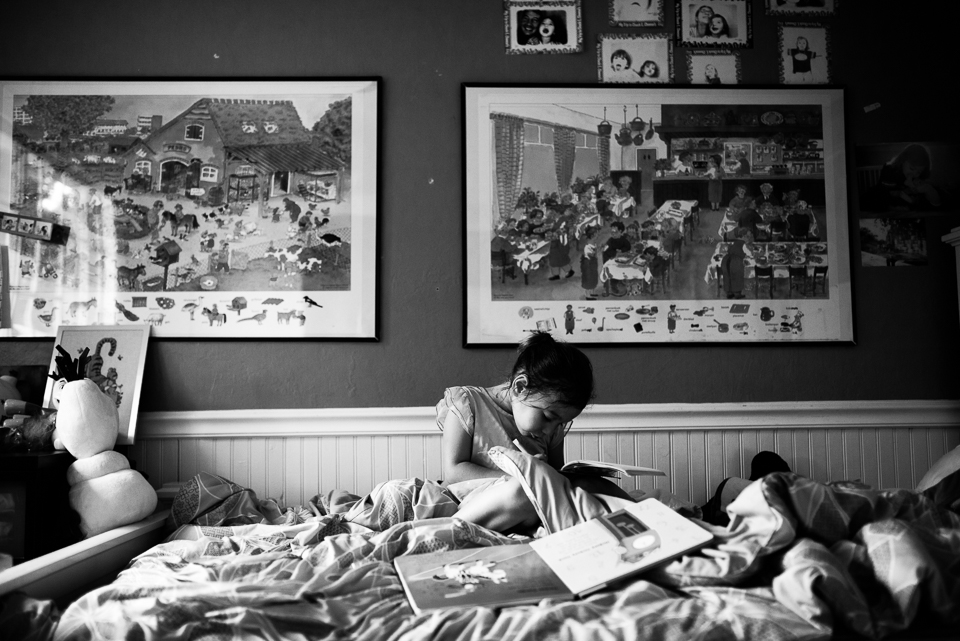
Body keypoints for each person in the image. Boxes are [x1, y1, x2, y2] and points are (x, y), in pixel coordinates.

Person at [438, 332, 608, 533]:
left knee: (592, 486)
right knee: (522, 493)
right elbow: (454, 471)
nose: (551, 430)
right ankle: (445, 531)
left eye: (561, 423)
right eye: (548, 416)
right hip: (474, 504)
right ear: (520, 387)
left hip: (527, 511)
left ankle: (642, 512)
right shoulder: (468, 403)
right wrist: (520, 477)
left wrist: (547, 474)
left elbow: (553, 482)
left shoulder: (552, 429)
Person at [866, 143, 942, 212]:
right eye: (911, 168)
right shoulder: (890, 170)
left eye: (919, 172)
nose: (914, 174)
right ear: (903, 161)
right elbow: (883, 194)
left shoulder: (919, 179)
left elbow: (926, 201)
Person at [601, 221, 632, 297]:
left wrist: (622, 251)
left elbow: (628, 246)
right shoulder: (610, 241)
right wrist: (615, 254)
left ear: (620, 231)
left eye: (614, 231)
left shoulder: (623, 239)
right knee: (614, 272)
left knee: (626, 267)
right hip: (611, 261)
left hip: (620, 260)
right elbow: (606, 251)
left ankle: (620, 280)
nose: (612, 233)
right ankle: (613, 287)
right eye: (611, 231)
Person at [720, 227, 750, 299]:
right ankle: (737, 294)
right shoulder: (743, 244)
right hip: (735, 262)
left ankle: (729, 293)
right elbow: (746, 254)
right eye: (747, 236)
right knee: (737, 277)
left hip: (726, 260)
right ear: (743, 236)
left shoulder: (735, 242)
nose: (748, 238)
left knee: (728, 276)